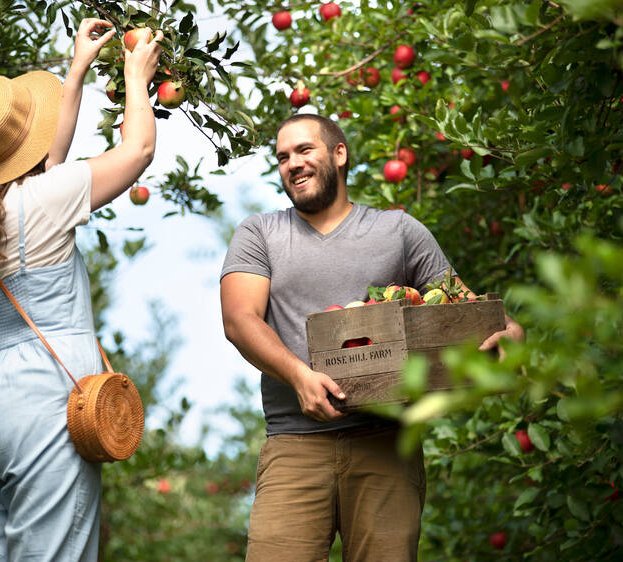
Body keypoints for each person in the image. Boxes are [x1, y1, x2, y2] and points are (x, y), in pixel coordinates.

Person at [220, 114, 524, 561]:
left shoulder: (398, 232)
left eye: (305, 150)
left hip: (386, 444)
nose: (292, 164)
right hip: (294, 443)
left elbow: (462, 306)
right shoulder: (261, 232)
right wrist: (301, 377)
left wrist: (507, 329)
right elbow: (239, 320)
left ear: (339, 154)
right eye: (283, 157)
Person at [0, 19, 162, 560]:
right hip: (41, 401)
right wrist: (135, 76)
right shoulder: (43, 200)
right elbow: (135, 151)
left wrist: (78, 70)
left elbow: (48, 166)